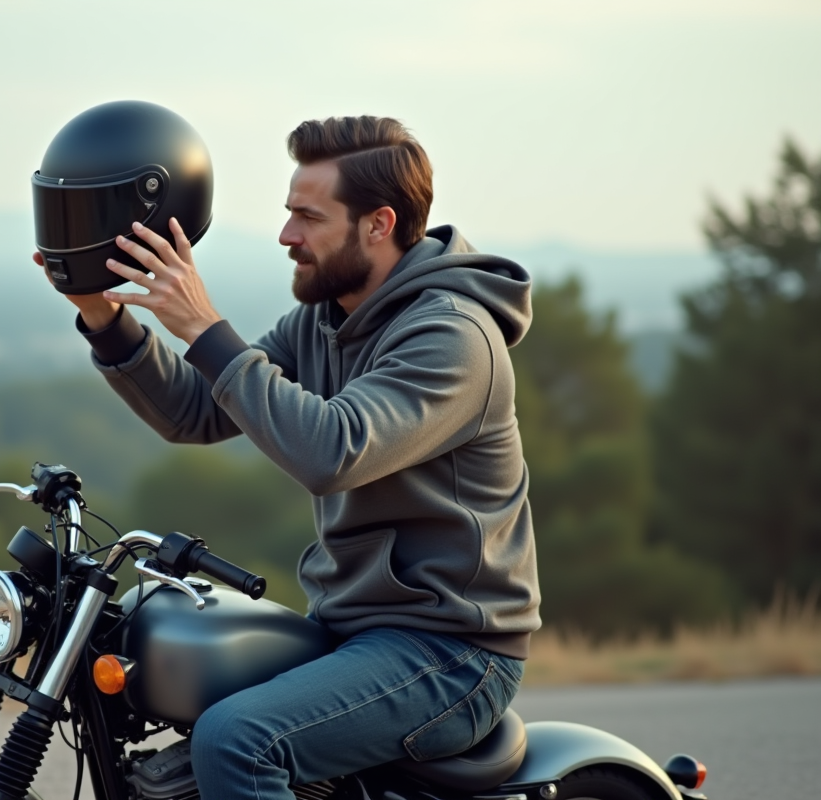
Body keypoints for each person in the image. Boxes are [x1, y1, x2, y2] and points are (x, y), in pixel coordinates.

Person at [34, 116, 540, 800]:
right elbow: (199, 410)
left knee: (239, 740)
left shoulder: (452, 337)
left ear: (377, 224)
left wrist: (202, 327)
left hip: (450, 652)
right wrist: (101, 314)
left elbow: (334, 451)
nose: (286, 236)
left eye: (307, 216)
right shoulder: (325, 320)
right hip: (344, 629)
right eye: (287, 213)